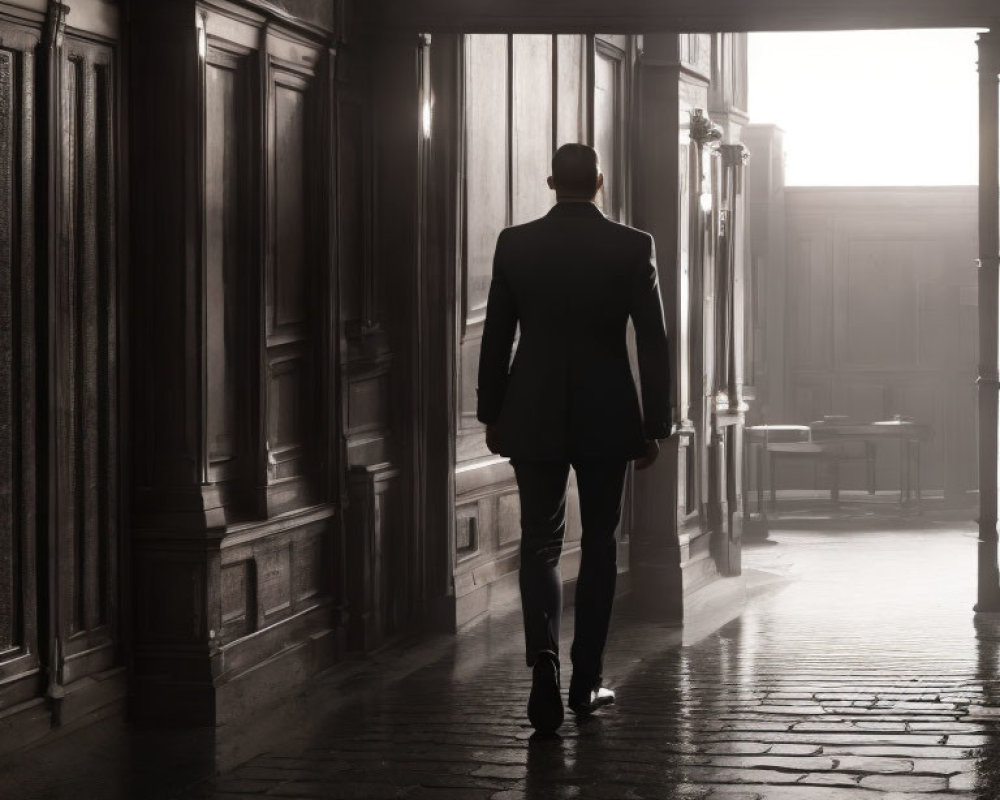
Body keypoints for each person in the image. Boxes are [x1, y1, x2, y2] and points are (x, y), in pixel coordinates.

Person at [476, 143, 673, 732]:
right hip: (608, 416)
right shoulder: (633, 246)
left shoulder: (516, 243)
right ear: (600, 182)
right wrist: (654, 424)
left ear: (549, 182)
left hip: (532, 413)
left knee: (539, 543)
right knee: (600, 546)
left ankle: (542, 662)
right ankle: (585, 683)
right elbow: (653, 342)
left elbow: (496, 337)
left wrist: (492, 412)